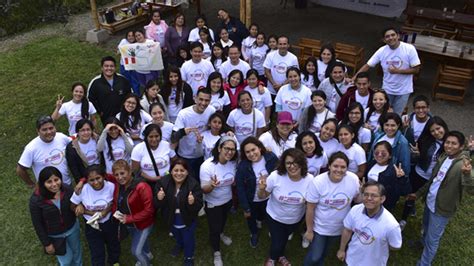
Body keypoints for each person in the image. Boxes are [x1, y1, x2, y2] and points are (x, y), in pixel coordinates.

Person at [413, 131, 473, 266]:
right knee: (426, 226)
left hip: (442, 209)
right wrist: (419, 194)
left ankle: (424, 263)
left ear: (461, 147)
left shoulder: (462, 165)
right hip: (430, 203)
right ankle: (422, 242)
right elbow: (434, 179)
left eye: (454, 143)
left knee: (432, 240)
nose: (449, 146)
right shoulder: (444, 156)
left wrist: (468, 175)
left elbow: (471, 190)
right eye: (447, 142)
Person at [303, 152, 361, 266]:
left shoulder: (353, 179)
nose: (339, 170)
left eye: (343, 167)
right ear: (329, 166)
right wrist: (309, 230)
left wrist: (362, 192)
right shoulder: (318, 182)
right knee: (315, 256)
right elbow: (310, 209)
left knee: (324, 253)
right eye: (335, 166)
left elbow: (357, 200)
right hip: (320, 227)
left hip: (340, 227)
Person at [258, 148, 313, 266]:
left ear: (302, 163)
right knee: (277, 242)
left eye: (295, 162)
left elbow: (311, 203)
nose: (292, 166)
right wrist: (261, 190)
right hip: (275, 217)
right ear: (283, 164)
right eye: (288, 163)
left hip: (295, 219)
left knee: (283, 239)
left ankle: (281, 255)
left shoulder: (310, 180)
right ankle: (272, 259)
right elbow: (263, 196)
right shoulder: (275, 176)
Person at [354, 26, 421, 114]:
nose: (391, 38)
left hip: (404, 90)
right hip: (387, 89)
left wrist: (398, 71)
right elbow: (368, 65)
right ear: (384, 40)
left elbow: (416, 70)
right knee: (382, 114)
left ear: (398, 36)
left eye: (393, 35)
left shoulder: (409, 49)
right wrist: (354, 77)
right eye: (387, 36)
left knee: (396, 115)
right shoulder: (382, 51)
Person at [337, 181, 402, 266]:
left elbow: (395, 246)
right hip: (350, 260)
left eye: (374, 195)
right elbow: (347, 230)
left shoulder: (391, 225)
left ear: (382, 199)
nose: (369, 198)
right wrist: (342, 250)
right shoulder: (355, 210)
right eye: (366, 194)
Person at [399, 116, 449, 229]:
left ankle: (426, 224)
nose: (436, 132)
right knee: (410, 195)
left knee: (427, 199)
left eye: (438, 128)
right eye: (432, 130)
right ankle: (404, 219)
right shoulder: (426, 140)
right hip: (419, 173)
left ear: (444, 127)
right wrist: (417, 154)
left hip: (434, 178)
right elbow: (415, 149)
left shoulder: (449, 143)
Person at [154, 159, 203, 266]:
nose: (179, 173)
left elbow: (199, 205)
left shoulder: (194, 184)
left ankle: (189, 257)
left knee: (188, 239)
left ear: (187, 172)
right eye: (176, 170)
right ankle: (179, 244)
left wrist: (192, 202)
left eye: (182, 170)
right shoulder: (163, 183)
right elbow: (157, 204)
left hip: (187, 219)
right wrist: (159, 198)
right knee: (177, 234)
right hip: (170, 218)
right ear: (171, 171)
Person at [29, 166, 82, 265]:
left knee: (76, 254)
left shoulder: (67, 190)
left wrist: (79, 205)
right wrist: (47, 243)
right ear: (42, 183)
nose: (54, 184)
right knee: (66, 261)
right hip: (55, 235)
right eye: (49, 182)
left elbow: (76, 202)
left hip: (72, 229)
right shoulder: (36, 200)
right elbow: (38, 224)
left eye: (56, 180)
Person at [200, 136, 238, 266]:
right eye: (226, 148)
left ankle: (221, 234)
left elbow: (233, 182)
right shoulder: (207, 166)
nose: (230, 152)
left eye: (233, 149)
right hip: (212, 203)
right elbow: (204, 190)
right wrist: (211, 186)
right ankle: (216, 252)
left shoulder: (232, 163)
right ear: (219, 148)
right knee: (214, 229)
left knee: (223, 221)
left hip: (227, 200)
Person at [70, 165, 120, 266]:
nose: (96, 182)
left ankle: (113, 262)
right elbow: (72, 206)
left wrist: (106, 211)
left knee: (113, 245)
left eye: (98, 178)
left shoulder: (111, 186)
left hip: (109, 222)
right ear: (87, 181)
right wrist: (81, 208)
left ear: (103, 176)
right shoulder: (82, 189)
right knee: (96, 251)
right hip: (92, 225)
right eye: (91, 180)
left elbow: (114, 203)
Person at [236, 137, 278, 248]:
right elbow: (240, 188)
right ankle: (254, 233)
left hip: (269, 197)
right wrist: (245, 207)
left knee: (266, 215)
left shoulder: (271, 158)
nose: (251, 154)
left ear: (259, 148)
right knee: (251, 218)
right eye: (247, 152)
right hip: (252, 199)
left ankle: (263, 222)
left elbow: (279, 174)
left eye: (253, 149)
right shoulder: (243, 166)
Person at [112, 160, 155, 266]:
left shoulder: (142, 186)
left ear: (130, 171)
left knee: (136, 251)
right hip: (130, 224)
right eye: (116, 175)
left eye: (122, 173)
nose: (120, 177)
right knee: (141, 242)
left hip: (144, 224)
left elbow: (149, 210)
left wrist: (129, 218)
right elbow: (98, 174)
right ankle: (148, 254)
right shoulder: (119, 185)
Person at [172, 88, 216, 181]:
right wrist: (182, 132)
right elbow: (173, 137)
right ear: (195, 98)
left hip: (203, 155)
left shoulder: (211, 110)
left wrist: (229, 131)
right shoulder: (184, 113)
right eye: (201, 99)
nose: (203, 103)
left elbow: (219, 125)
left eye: (207, 100)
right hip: (185, 156)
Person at [17, 116, 72, 187]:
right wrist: (31, 184)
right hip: (48, 189)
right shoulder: (31, 148)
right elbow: (20, 170)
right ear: (38, 131)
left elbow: (74, 143)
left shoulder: (61, 137)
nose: (49, 132)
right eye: (44, 130)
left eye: (51, 128)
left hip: (66, 185)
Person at [366, 141, 409, 212]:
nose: (379, 155)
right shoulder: (371, 164)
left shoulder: (393, 170)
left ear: (390, 155)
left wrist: (401, 178)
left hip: (384, 204)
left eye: (383, 153)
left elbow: (403, 191)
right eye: (376, 152)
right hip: (368, 198)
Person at [88, 56, 132, 124]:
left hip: (123, 115)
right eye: (106, 66)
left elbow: (130, 95)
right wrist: (100, 112)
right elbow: (91, 99)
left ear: (115, 68)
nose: (109, 68)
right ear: (102, 68)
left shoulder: (122, 80)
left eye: (111, 66)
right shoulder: (96, 82)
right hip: (106, 117)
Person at [369, 112, 411, 178]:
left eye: (393, 125)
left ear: (398, 125)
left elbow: (405, 165)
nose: (389, 128)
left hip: (389, 176)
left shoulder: (402, 142)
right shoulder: (378, 137)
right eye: (387, 125)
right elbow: (371, 155)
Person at [65, 119, 100, 183]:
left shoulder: (98, 140)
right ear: (77, 132)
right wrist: (80, 182)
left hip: (101, 175)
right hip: (85, 179)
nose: (86, 133)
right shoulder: (71, 148)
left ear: (92, 130)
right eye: (82, 130)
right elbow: (74, 169)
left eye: (88, 129)